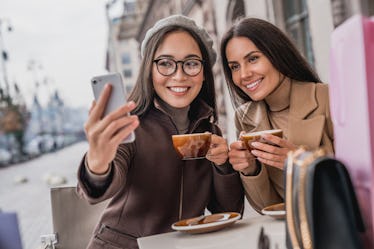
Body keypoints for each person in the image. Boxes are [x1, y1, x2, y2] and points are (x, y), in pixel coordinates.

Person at [78, 15, 244, 249]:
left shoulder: (210, 130)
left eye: (191, 63)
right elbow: (97, 190)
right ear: (149, 70)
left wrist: (223, 166)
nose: (179, 75)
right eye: (165, 63)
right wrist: (97, 163)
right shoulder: (131, 125)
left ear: (204, 72)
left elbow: (229, 211)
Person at [220, 17, 334, 212]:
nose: (244, 74)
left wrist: (299, 164)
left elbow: (360, 178)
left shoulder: (327, 97)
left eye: (253, 59)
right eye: (235, 67)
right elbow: (269, 207)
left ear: (277, 53)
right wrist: (250, 170)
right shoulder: (244, 118)